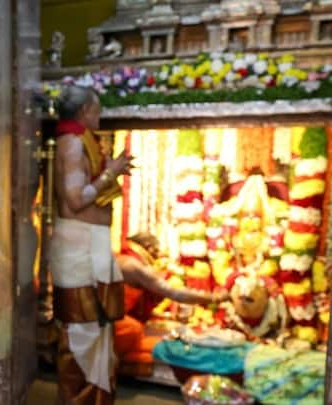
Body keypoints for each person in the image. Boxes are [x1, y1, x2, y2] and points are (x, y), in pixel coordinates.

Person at [49, 85, 133, 404]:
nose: (99, 117)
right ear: (84, 111)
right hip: (79, 252)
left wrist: (110, 169)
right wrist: (110, 174)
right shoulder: (72, 143)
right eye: (96, 111)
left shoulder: (80, 141)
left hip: (87, 248)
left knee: (95, 331)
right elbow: (75, 198)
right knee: (82, 335)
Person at [114, 233, 226, 374]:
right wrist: (214, 298)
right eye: (157, 250)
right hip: (109, 323)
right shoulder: (133, 265)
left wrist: (164, 315)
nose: (159, 255)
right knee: (135, 331)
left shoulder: (124, 259)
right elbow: (175, 293)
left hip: (106, 319)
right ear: (148, 248)